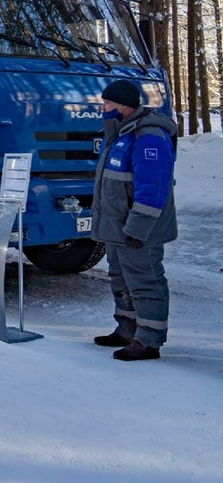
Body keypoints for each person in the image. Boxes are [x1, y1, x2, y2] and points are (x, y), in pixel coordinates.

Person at [91, 79, 178, 361]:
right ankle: (127, 329)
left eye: (107, 104)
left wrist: (137, 228)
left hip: (139, 230)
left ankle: (149, 340)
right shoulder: (119, 133)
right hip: (119, 229)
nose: (102, 108)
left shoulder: (148, 136)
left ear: (124, 106)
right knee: (121, 279)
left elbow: (153, 188)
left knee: (144, 281)